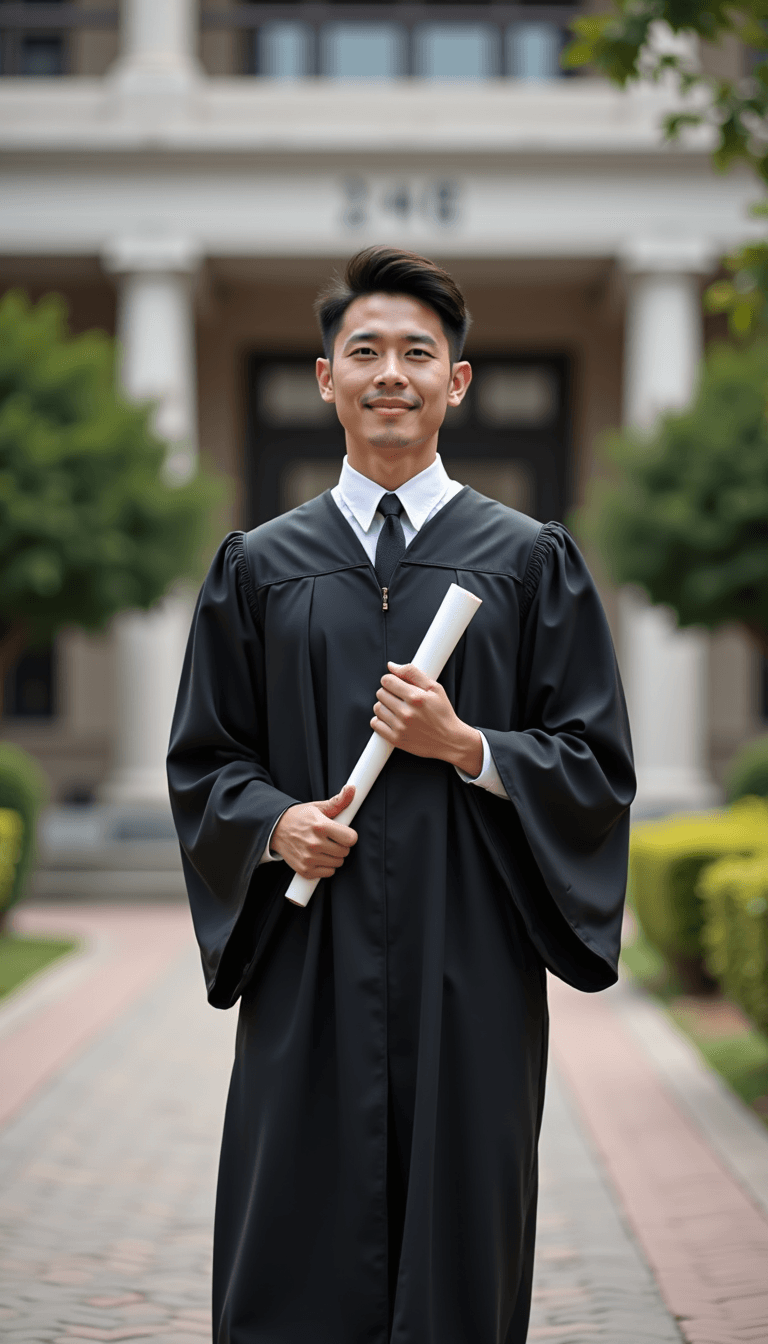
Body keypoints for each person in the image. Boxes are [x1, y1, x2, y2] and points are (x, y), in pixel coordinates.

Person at [166, 245, 635, 1344]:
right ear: (324, 377)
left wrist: (467, 745)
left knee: (461, 1243)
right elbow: (204, 759)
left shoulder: (526, 562)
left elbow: (596, 763)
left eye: (418, 353)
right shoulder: (262, 567)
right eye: (364, 350)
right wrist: (274, 825)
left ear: (456, 383)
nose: (392, 372)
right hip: (310, 959)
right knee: (292, 1232)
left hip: (466, 959)